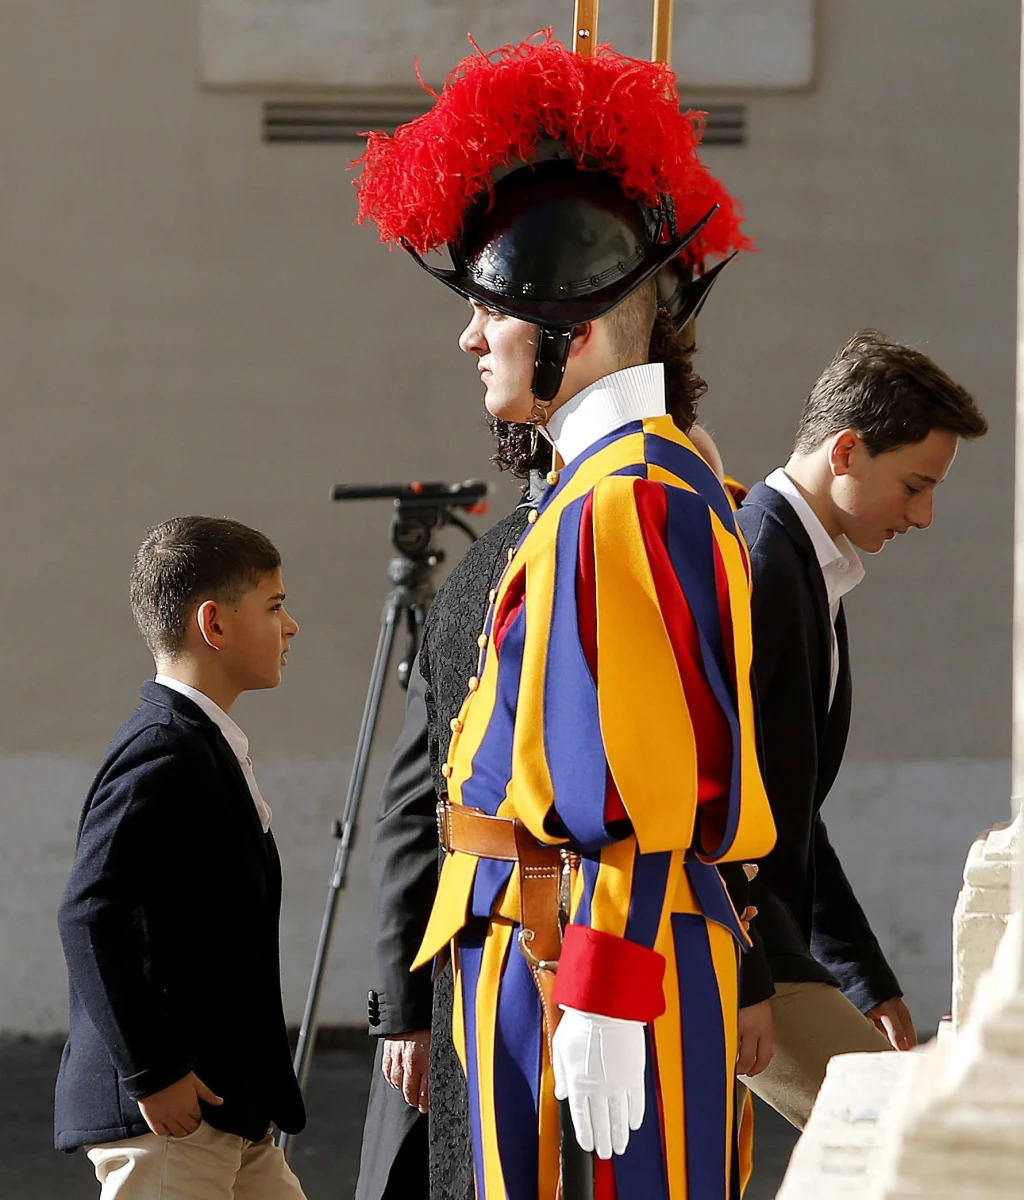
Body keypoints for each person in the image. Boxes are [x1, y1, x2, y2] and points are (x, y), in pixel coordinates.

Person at [354, 33, 776, 1198]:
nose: (469, 336)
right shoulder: (642, 484)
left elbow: (635, 775)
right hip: (567, 942)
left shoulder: (624, 500)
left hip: (577, 956)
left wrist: (595, 989)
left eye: (491, 310)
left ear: (570, 333)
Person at [734, 330, 989, 1128]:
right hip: (737, 947)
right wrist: (751, 977)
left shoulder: (811, 565)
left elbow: (793, 806)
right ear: (845, 451)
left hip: (766, 948)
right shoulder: (764, 564)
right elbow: (714, 792)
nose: (925, 514)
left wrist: (862, 974)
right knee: (902, 1135)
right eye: (915, 485)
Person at [54, 516, 307, 1199]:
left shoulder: (201, 741)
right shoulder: (165, 749)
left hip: (228, 1113)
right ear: (214, 625)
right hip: (169, 1122)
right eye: (275, 607)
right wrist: (153, 1072)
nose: (292, 628)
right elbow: (89, 913)